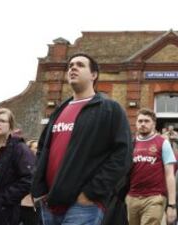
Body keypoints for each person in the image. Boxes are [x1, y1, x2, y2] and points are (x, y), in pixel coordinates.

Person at [31, 53, 133, 225]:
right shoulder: (59, 110)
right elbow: (42, 149)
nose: (73, 68)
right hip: (49, 202)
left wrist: (92, 193)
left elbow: (122, 154)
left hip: (83, 205)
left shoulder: (110, 109)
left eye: (80, 65)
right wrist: (38, 188)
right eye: (70, 65)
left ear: (94, 75)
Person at [126, 108, 177, 225]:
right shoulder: (131, 144)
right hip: (132, 197)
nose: (143, 124)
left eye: (146, 121)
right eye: (140, 121)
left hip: (154, 197)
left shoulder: (163, 143)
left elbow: (170, 175)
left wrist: (172, 204)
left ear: (154, 124)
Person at [0, 108, 35, 225]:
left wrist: (1, 201)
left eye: (2, 121)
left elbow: (29, 179)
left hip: (2, 214)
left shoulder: (19, 148)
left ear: (10, 127)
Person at [19, 140, 38, 225]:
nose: (38, 149)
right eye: (36, 147)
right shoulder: (22, 164)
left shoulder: (41, 163)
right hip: (24, 203)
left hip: (37, 203)